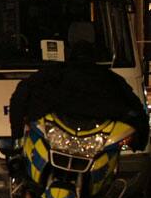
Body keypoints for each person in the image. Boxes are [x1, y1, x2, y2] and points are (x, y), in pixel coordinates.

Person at [8, 35, 149, 152]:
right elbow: (136, 110)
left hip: (64, 144)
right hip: (94, 144)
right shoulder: (109, 78)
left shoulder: (55, 74)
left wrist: (17, 137)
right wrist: (139, 142)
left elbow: (21, 95)